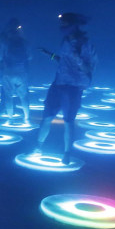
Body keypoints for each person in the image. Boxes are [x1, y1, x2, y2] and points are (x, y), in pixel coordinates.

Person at [33, 13, 97, 164]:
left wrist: (77, 57)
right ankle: (38, 147)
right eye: (61, 24)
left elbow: (88, 69)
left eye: (65, 24)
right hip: (58, 84)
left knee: (68, 121)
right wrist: (49, 54)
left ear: (74, 25)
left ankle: (67, 153)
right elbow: (64, 62)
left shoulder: (85, 44)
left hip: (73, 87)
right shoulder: (65, 41)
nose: (61, 27)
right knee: (47, 117)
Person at [0, 18, 32, 124]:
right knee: (24, 96)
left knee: (8, 96)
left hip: (8, 73)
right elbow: (30, 57)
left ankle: (10, 118)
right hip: (21, 73)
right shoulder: (25, 42)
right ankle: (26, 118)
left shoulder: (6, 43)